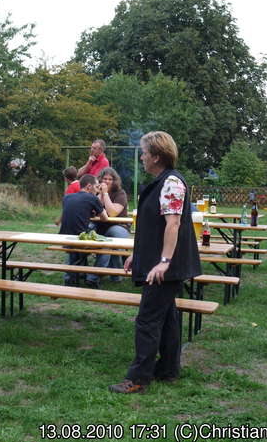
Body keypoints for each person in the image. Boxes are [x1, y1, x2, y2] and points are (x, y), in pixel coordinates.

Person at [110, 131, 201, 394]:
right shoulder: (164, 181)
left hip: (166, 266)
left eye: (145, 152)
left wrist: (163, 262)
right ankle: (168, 370)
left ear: (157, 156)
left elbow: (172, 225)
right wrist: (137, 256)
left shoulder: (171, 182)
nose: (142, 157)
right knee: (168, 317)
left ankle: (138, 378)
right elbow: (155, 228)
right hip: (164, 262)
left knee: (147, 319)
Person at [58, 174, 108, 287]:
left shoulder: (67, 197)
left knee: (74, 244)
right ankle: (92, 278)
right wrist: (100, 195)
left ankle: (70, 278)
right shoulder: (92, 198)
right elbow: (105, 218)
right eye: (96, 187)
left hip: (63, 239)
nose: (97, 190)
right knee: (106, 248)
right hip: (79, 240)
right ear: (89, 186)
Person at [85, 167, 130, 287]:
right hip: (101, 227)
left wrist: (105, 194)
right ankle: (82, 272)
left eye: (110, 179)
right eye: (105, 178)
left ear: (115, 181)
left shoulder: (120, 193)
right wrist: (99, 194)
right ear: (100, 180)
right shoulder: (96, 192)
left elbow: (113, 213)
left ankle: (106, 275)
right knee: (87, 229)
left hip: (119, 227)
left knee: (112, 235)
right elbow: (92, 210)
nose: (107, 181)